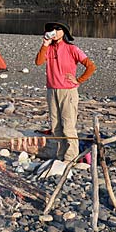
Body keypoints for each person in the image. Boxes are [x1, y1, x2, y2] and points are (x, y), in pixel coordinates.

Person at [35, 21, 96, 162]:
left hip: (68, 91)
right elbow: (38, 62)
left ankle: (71, 158)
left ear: (64, 32)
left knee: (68, 126)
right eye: (52, 29)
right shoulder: (48, 48)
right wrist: (44, 44)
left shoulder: (71, 48)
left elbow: (91, 66)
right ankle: (60, 156)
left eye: (57, 29)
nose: (54, 31)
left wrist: (79, 80)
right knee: (56, 126)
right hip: (52, 90)